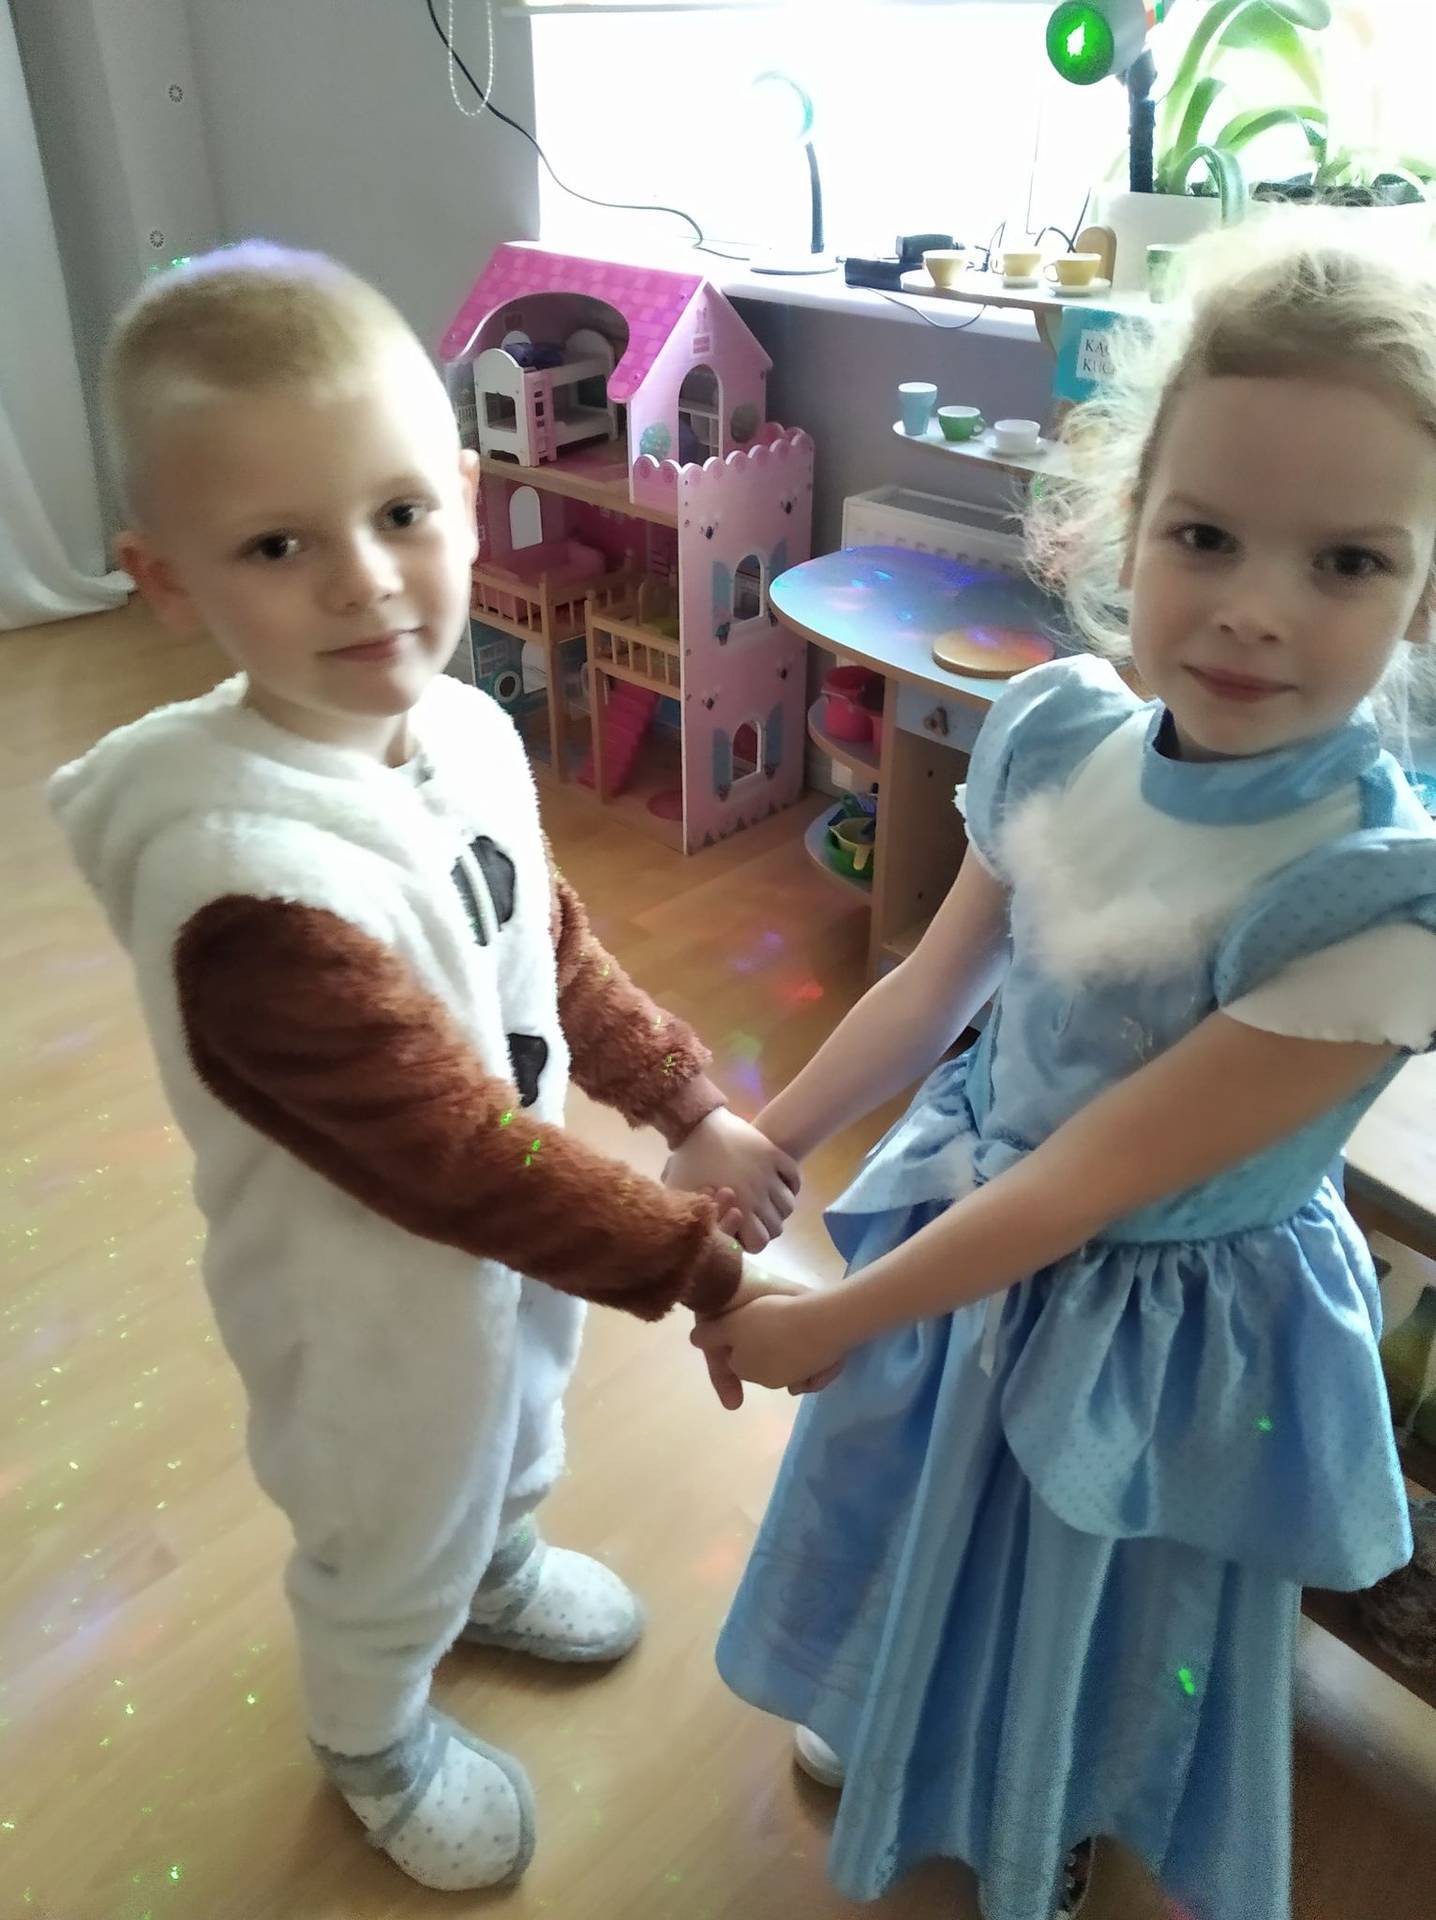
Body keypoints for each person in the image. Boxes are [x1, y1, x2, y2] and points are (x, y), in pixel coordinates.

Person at [696, 233, 1436, 1920]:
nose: (1254, 605)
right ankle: (896, 1695)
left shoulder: (1374, 904)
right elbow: (933, 987)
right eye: (1205, 535)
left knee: (1087, 1587)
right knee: (923, 1502)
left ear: (1423, 595)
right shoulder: (1060, 737)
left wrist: (836, 1317)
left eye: (1345, 560)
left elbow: (1091, 1183)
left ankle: (1055, 1802)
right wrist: (763, 1136)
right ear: (1128, 527)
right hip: (975, 1237)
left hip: (1156, 1328)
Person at [50, 242, 797, 1893]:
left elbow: (543, 936)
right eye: (277, 545)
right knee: (389, 1516)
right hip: (364, 1303)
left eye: (397, 514)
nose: (362, 584)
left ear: (467, 499)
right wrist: (702, 1271)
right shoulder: (248, 890)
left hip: (495, 1252)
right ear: (165, 580)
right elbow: (457, 1157)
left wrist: (685, 1101)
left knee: (512, 1420)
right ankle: (372, 1725)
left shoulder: (460, 729)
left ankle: (496, 1567)